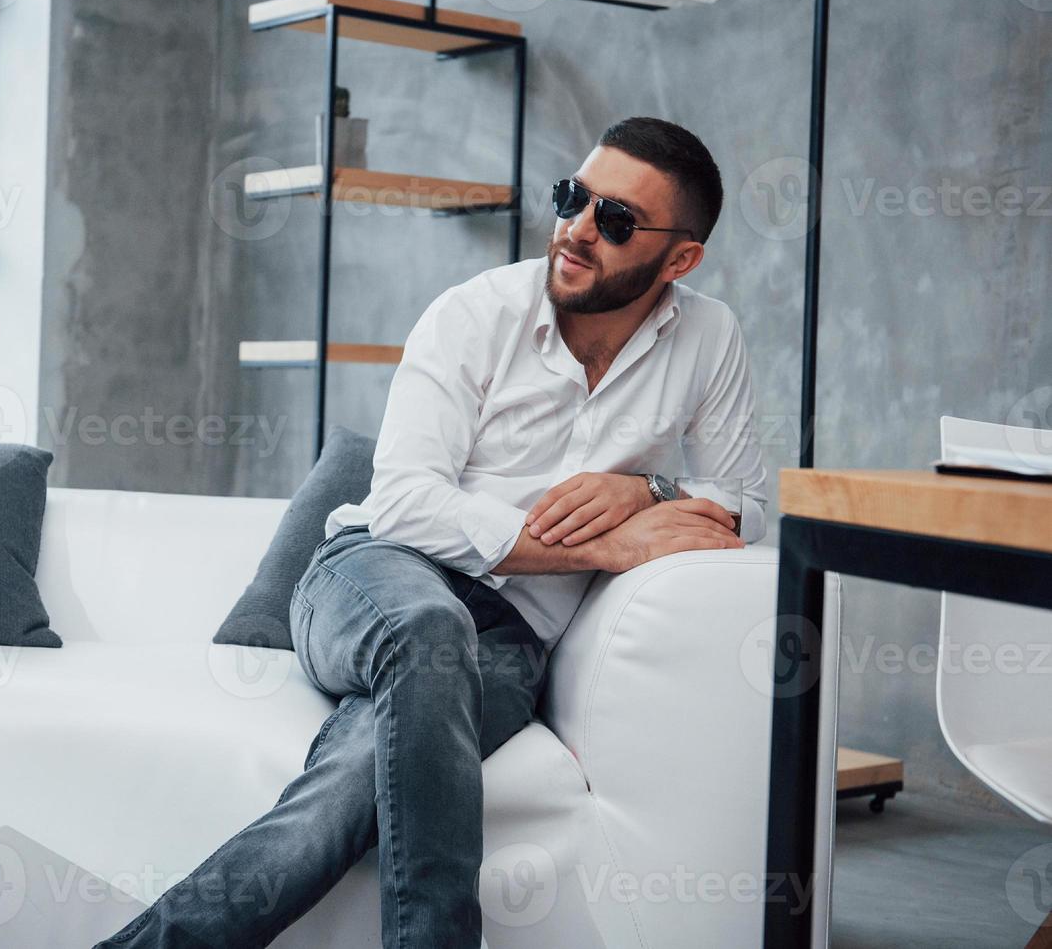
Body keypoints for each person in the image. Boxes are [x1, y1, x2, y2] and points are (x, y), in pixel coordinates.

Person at [95, 116, 768, 949]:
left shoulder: (710, 337)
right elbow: (407, 501)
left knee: (343, 794)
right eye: (573, 198)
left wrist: (646, 489)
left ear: (680, 259)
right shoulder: (475, 314)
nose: (578, 230)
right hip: (373, 577)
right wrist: (598, 545)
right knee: (428, 622)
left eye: (617, 220)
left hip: (511, 637)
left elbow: (745, 499)